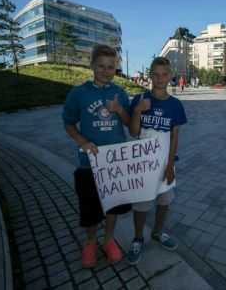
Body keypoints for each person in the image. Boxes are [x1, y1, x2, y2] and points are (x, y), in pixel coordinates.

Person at [62, 45, 132, 268]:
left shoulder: (120, 93)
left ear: (116, 68)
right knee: (90, 208)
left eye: (110, 67)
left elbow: (130, 125)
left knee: (113, 206)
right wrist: (82, 141)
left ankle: (108, 240)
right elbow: (69, 123)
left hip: (116, 163)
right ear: (92, 65)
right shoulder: (79, 93)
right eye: (101, 66)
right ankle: (91, 242)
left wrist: (119, 110)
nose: (105, 70)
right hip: (89, 164)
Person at [127, 57, 187, 264]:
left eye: (164, 74)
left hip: (164, 165)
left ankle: (158, 232)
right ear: (150, 75)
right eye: (156, 74)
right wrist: (137, 111)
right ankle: (137, 238)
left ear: (170, 76)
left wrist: (170, 165)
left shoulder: (176, 105)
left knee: (164, 201)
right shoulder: (139, 99)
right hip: (143, 165)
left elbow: (174, 137)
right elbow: (134, 133)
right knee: (141, 204)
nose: (160, 78)